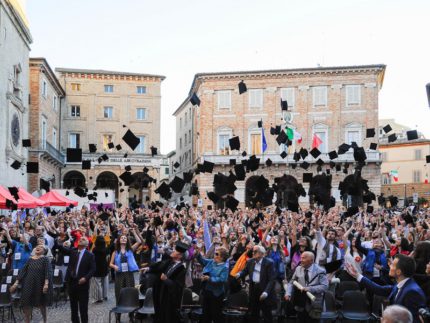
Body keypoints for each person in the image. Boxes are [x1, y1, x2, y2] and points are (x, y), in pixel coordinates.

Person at [346, 254, 426, 323]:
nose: (389, 266)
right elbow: (378, 289)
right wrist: (357, 275)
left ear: (398, 272)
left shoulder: (412, 292)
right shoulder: (401, 284)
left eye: (392, 265)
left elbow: (414, 320)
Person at [145, 241, 188, 323]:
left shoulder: (181, 269)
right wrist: (148, 269)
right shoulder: (170, 262)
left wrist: (166, 280)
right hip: (162, 293)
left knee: (168, 317)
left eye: (175, 251)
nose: (172, 251)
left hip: (170, 299)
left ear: (179, 256)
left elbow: (178, 286)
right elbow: (158, 266)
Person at [10, 244, 53, 323]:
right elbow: (23, 271)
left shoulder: (45, 259)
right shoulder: (30, 259)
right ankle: (27, 321)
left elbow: (48, 272)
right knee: (26, 303)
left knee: (41, 304)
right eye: (37, 246)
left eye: (41, 247)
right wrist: (16, 283)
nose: (38, 247)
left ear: (44, 251)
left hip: (39, 284)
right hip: (28, 284)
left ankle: (45, 320)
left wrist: (46, 284)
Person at [285, 251, 329, 323]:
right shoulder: (298, 269)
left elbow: (325, 287)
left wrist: (309, 289)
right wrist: (288, 293)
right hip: (300, 302)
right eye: (301, 258)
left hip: (314, 303)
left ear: (311, 260)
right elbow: (291, 282)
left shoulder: (321, 271)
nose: (301, 260)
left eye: (304, 258)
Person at [236, 245, 275, 323]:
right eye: (253, 251)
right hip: (253, 289)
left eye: (255, 251)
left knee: (266, 313)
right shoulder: (250, 261)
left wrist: (266, 292)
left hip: (264, 289)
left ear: (261, 254)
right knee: (253, 312)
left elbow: (271, 280)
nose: (253, 253)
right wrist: (239, 274)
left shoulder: (269, 263)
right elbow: (245, 271)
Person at [61, 237, 96, 323]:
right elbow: (61, 248)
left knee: (83, 308)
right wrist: (61, 242)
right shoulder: (73, 251)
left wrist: (85, 278)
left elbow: (93, 269)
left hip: (82, 284)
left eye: (83, 239)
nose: (81, 239)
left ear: (87, 244)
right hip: (72, 282)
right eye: (80, 239)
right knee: (73, 308)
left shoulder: (90, 255)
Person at [109, 233, 140, 321]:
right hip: (119, 275)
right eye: (122, 238)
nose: (123, 239)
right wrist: (114, 266)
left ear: (127, 240)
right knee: (119, 294)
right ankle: (118, 316)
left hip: (129, 274)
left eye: (125, 238)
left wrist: (135, 231)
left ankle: (131, 315)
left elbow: (139, 241)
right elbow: (110, 263)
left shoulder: (130, 249)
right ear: (119, 240)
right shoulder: (115, 252)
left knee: (130, 293)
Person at [196, 246, 229, 323]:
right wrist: (198, 253)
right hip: (206, 291)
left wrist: (209, 278)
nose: (214, 255)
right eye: (215, 253)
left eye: (217, 254)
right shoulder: (211, 262)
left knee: (216, 314)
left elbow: (222, 279)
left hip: (216, 294)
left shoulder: (224, 267)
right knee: (205, 313)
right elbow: (202, 261)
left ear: (222, 257)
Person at [90, 235, 109, 303]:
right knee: (105, 283)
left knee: (97, 283)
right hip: (104, 266)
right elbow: (107, 258)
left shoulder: (95, 249)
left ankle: (99, 298)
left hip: (97, 267)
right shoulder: (106, 249)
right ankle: (105, 295)